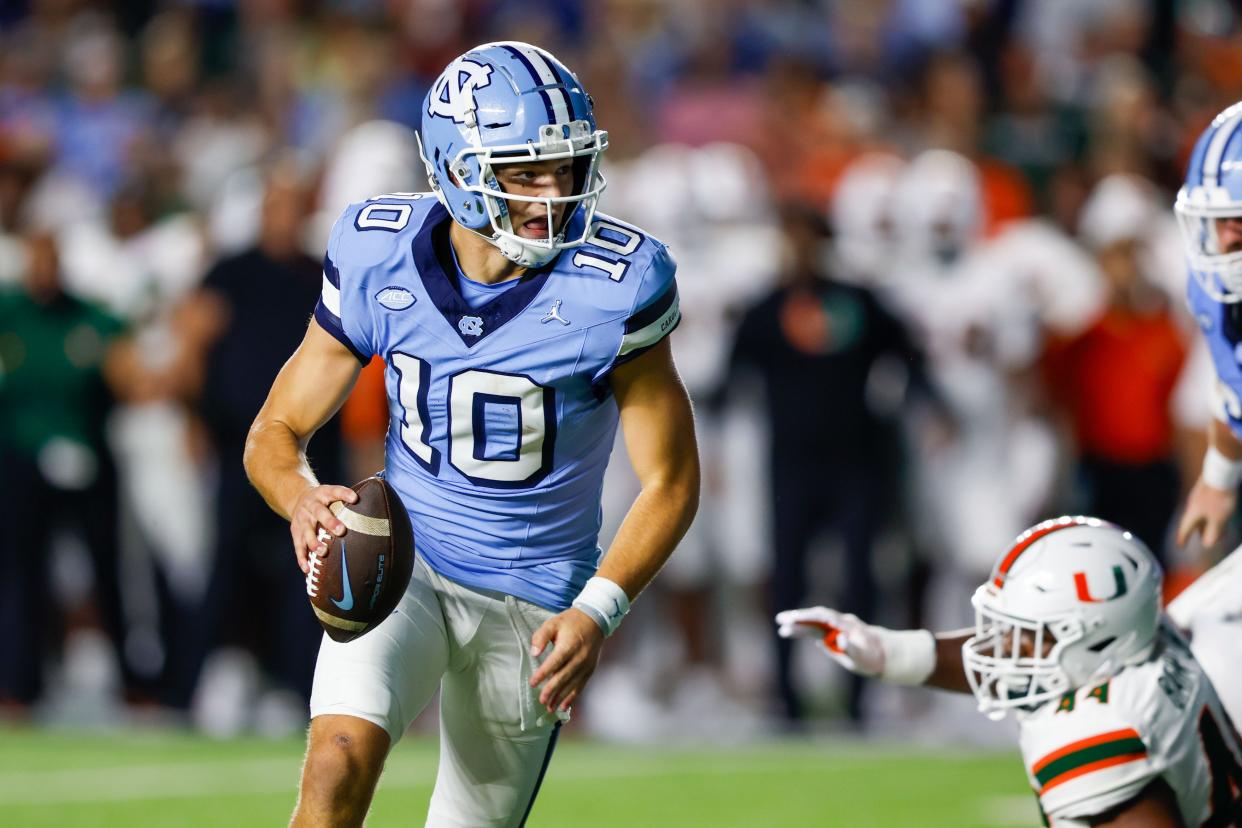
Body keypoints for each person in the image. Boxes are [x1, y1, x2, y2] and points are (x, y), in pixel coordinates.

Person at [244, 42, 699, 826]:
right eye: (526, 172)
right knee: (335, 766)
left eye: (566, 167)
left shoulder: (615, 286)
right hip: (404, 563)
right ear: (458, 169)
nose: (554, 193)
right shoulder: (377, 250)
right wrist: (301, 497)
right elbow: (275, 431)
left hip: (537, 596)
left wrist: (599, 609)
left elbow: (672, 480)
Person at [778, 516, 1242, 827]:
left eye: (1029, 635)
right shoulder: (1165, 634)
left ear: (1099, 638)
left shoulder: (1091, 729)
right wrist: (892, 653)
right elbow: (1011, 661)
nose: (1002, 650)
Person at [1177, 101, 1242, 553]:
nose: (1225, 241)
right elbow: (1233, 395)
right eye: (1217, 221)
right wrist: (1218, 479)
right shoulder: (1215, 293)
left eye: (1239, 221)